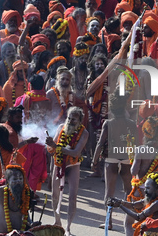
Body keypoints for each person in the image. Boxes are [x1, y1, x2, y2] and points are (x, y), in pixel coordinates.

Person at [92, 92, 135, 230]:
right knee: (128, 190)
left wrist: (94, 161)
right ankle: (129, 221)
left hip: (111, 159)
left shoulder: (108, 123)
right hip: (127, 159)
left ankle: (108, 222)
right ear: (124, 107)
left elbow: (100, 144)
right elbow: (137, 145)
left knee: (109, 192)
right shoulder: (131, 123)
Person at [46, 107, 89, 236]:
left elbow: (76, 152)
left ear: (80, 121)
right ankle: (57, 221)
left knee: (72, 197)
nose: (70, 121)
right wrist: (50, 144)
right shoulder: (60, 128)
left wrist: (56, 147)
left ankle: (68, 227)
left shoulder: (84, 133)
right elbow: (52, 147)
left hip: (73, 165)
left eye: (74, 119)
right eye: (69, 118)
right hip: (58, 164)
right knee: (55, 195)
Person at [0, 164, 36, 233]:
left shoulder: (25, 193)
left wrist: (31, 223)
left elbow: (25, 212)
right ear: (7, 181)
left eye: (20, 179)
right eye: (15, 179)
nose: (18, 181)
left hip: (18, 233)